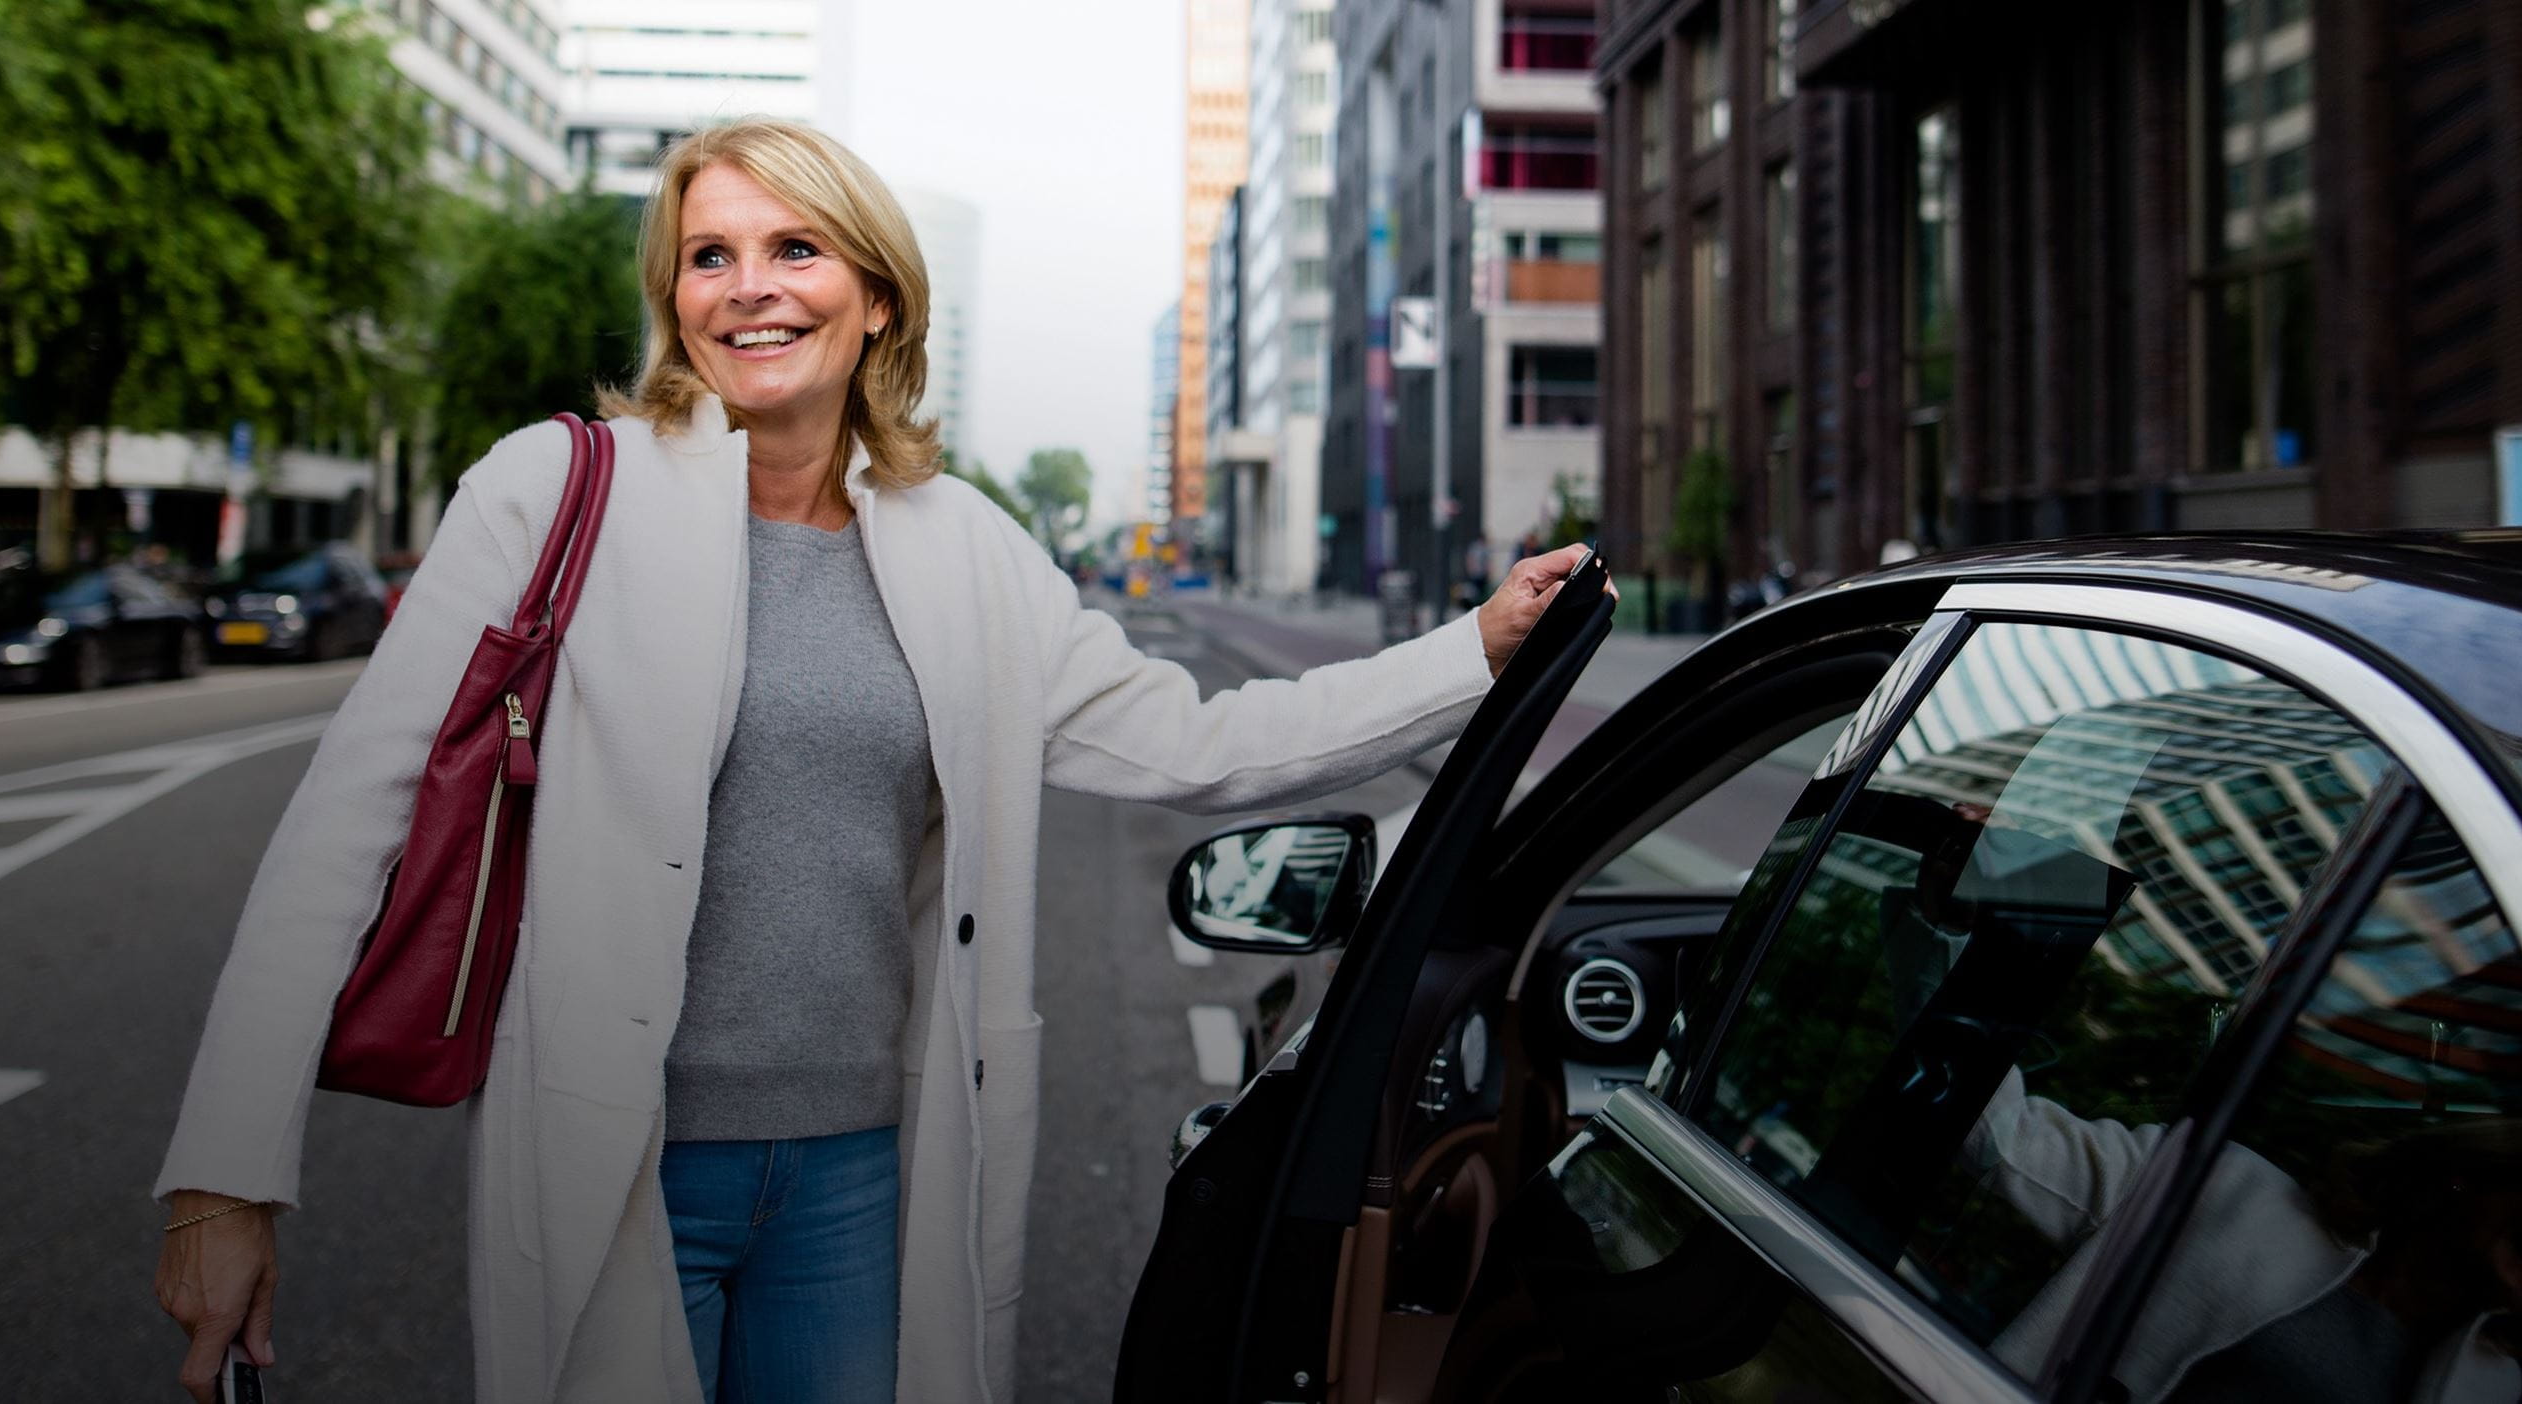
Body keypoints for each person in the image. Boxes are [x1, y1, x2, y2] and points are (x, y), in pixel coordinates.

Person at [148, 118, 1595, 1404]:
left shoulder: (960, 542)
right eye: (708, 255)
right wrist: (223, 1178)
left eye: (795, 247)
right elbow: (354, 820)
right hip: (618, 1161)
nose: (750, 285)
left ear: (877, 293)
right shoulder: (554, 489)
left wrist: (1470, 650)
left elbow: (1192, 740)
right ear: (674, 298)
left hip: (861, 1173)